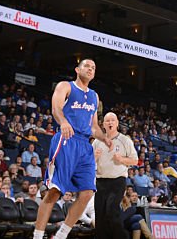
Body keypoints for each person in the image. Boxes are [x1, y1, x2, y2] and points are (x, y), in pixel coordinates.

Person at [33, 59, 112, 239]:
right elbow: (56, 108)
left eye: (93, 67)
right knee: (55, 191)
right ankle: (37, 236)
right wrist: (64, 122)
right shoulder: (65, 86)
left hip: (85, 145)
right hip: (67, 139)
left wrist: (104, 138)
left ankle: (62, 235)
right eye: (87, 66)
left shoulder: (94, 96)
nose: (91, 69)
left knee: (87, 192)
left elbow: (93, 127)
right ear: (77, 69)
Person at [94, 113, 138, 239]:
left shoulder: (125, 140)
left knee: (111, 212)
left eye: (112, 120)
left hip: (117, 181)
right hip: (100, 181)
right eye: (107, 121)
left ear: (117, 123)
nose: (110, 122)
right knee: (100, 216)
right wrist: (94, 157)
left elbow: (135, 161)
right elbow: (88, 162)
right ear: (103, 124)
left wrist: (122, 159)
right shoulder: (97, 141)